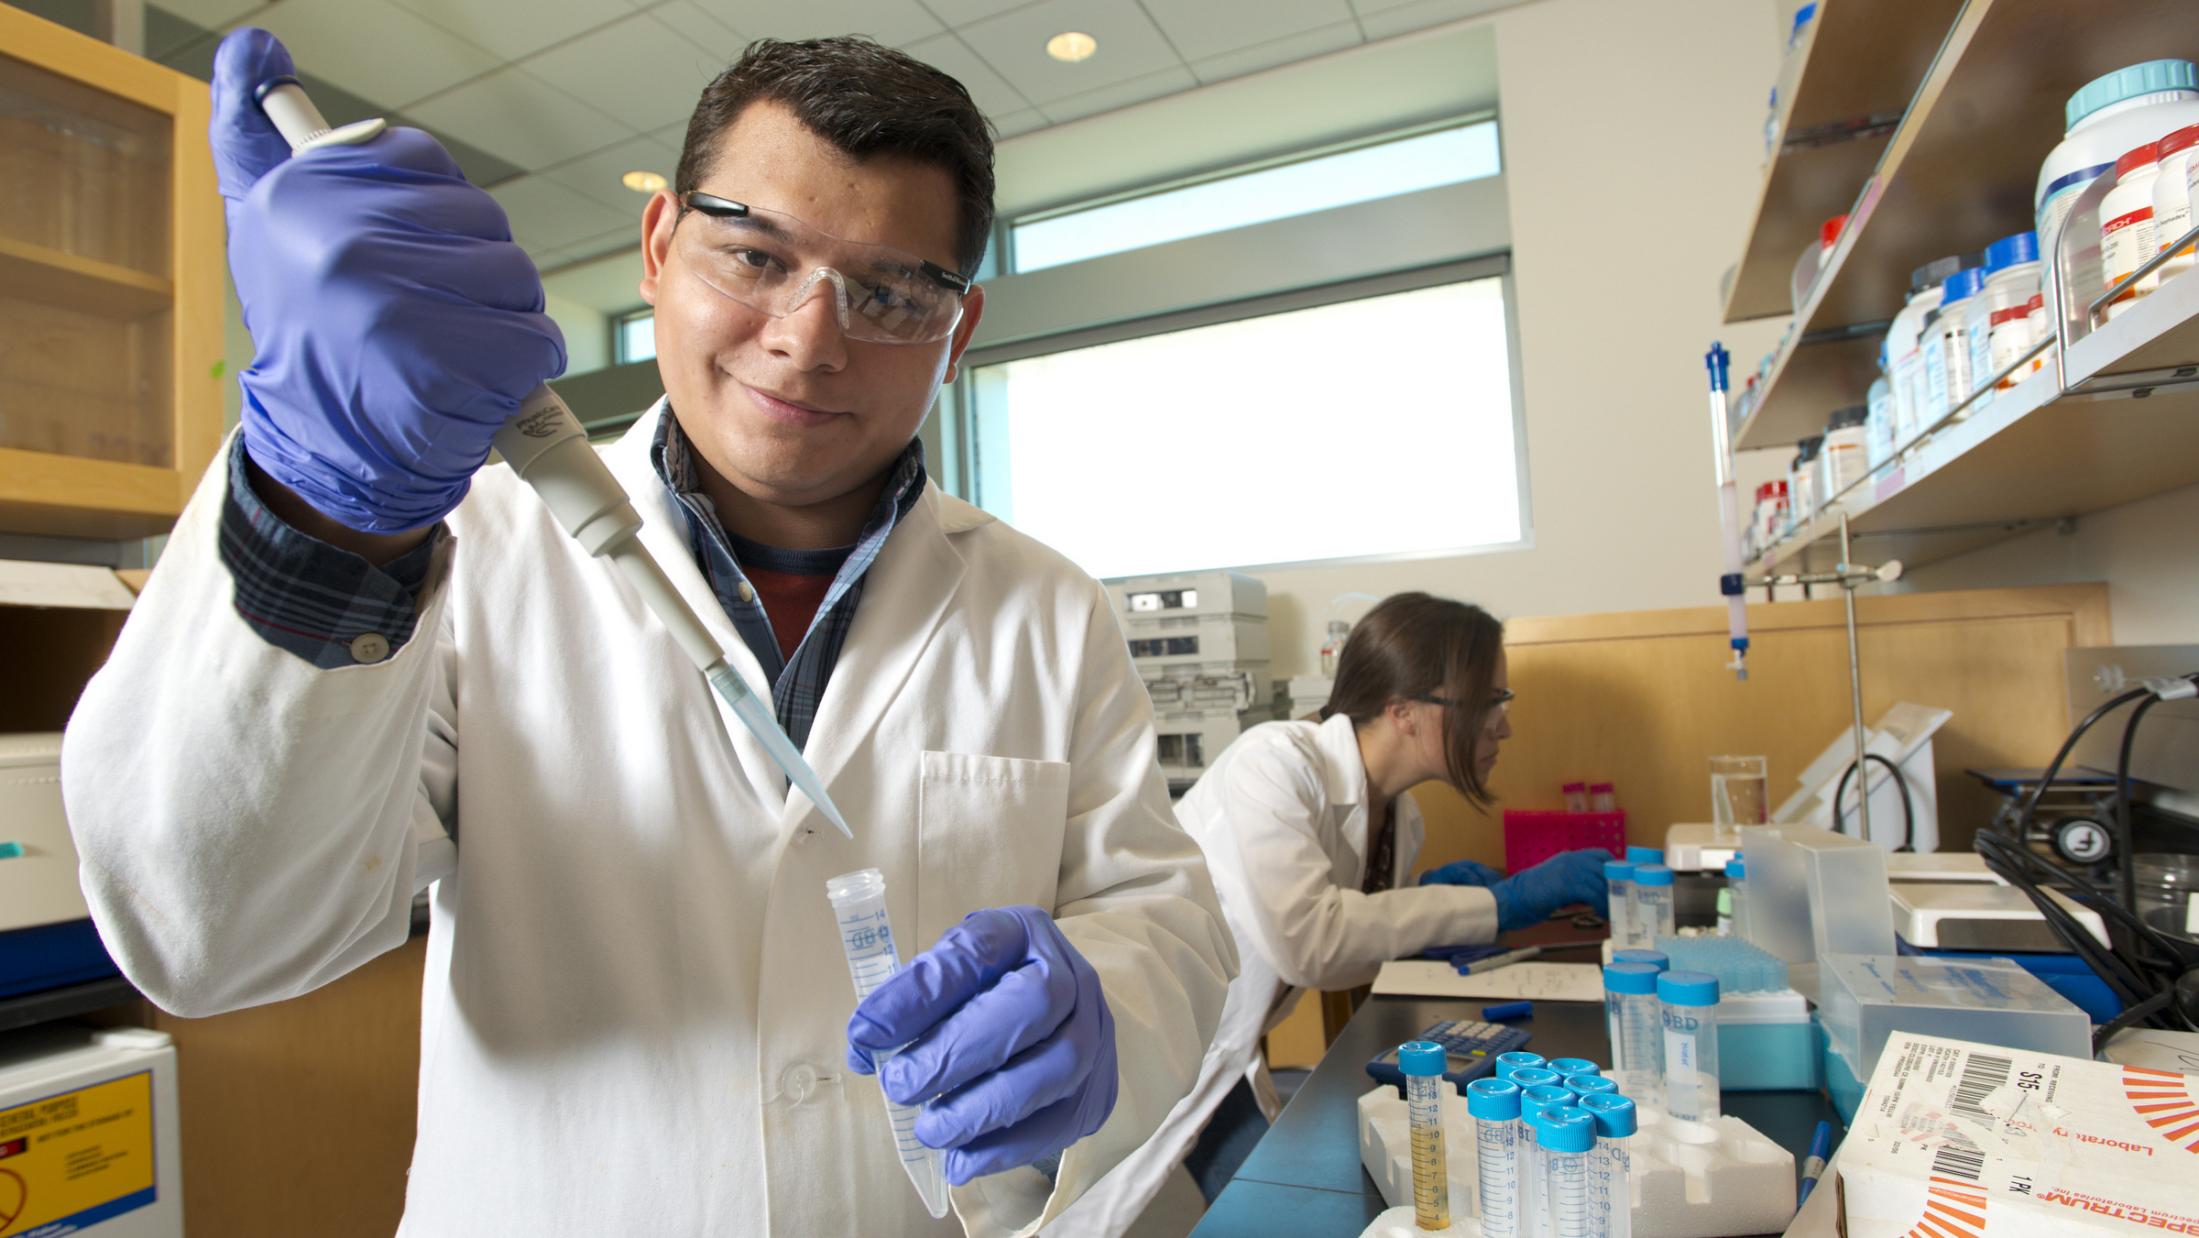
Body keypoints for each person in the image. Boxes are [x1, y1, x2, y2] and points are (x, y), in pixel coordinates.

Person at [60, 29, 1234, 1236]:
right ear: (662, 243)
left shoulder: (1043, 605)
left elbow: (1168, 916)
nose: (808, 338)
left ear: (960, 327)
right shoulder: (463, 549)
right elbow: (208, 934)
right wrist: (324, 505)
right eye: (755, 255)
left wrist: (1107, 1008)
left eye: (889, 292)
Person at [1064, 592, 1607, 1232]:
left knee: (1280, 1210)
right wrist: (1494, 904)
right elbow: (1313, 943)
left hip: (1217, 1051)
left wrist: (1422, 899)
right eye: (1491, 702)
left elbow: (1355, 936)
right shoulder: (1275, 762)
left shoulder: (1403, 818)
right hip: (1125, 1043)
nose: (1503, 726)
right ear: (1405, 710)